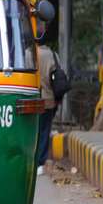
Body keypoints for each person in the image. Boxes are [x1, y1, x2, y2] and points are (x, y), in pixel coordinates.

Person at [36, 31, 60, 175]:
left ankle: (31, 160)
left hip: (32, 99)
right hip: (48, 100)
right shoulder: (52, 54)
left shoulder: (27, 53)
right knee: (44, 131)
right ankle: (40, 163)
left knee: (33, 130)